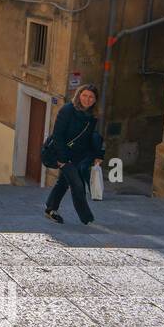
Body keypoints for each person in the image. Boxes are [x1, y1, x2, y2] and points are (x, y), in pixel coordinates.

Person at [45, 84, 105, 225]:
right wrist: (62, 159)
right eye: (84, 95)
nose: (87, 99)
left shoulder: (92, 116)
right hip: (64, 155)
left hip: (78, 155)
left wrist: (98, 155)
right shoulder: (67, 110)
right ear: (79, 95)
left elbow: (91, 136)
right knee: (77, 185)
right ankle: (87, 219)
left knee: (63, 182)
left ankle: (50, 208)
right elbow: (58, 135)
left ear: (95, 100)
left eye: (91, 97)